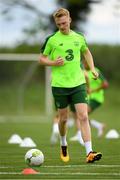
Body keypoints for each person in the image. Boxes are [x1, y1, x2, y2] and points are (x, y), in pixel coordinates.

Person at [39, 8, 102, 163]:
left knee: (83, 116)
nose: (62, 26)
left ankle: (89, 152)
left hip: (78, 83)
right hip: (60, 85)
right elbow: (41, 59)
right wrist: (53, 62)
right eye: (59, 24)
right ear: (56, 23)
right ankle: (63, 144)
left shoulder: (79, 37)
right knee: (63, 119)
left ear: (70, 20)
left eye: (64, 22)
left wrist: (92, 68)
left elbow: (86, 52)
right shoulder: (52, 39)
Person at [70, 60, 109, 144]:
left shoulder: (95, 71)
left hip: (96, 98)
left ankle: (80, 135)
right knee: (80, 115)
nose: (84, 65)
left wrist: (93, 90)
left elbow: (105, 84)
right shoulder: (83, 72)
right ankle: (98, 126)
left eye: (85, 64)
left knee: (82, 115)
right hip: (88, 98)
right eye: (83, 64)